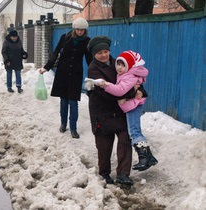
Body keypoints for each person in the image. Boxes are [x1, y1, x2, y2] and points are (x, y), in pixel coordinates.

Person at [87, 36, 143, 186]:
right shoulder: (93, 69)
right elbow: (104, 92)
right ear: (94, 54)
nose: (104, 55)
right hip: (102, 110)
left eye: (106, 51)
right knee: (104, 145)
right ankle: (104, 173)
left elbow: (132, 77)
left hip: (118, 109)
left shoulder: (117, 62)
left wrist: (140, 90)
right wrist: (132, 93)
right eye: (100, 53)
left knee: (125, 139)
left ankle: (123, 174)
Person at [96, 50, 158, 171]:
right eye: (118, 64)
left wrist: (105, 85)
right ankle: (149, 157)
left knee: (134, 131)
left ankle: (144, 158)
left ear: (129, 66)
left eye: (123, 65)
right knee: (134, 130)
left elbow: (120, 90)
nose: (119, 67)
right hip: (131, 104)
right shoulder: (126, 74)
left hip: (133, 106)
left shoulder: (129, 76)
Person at [39, 17, 92, 139]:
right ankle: (63, 124)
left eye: (82, 30)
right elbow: (56, 52)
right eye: (78, 29)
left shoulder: (87, 41)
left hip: (76, 74)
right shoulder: (65, 38)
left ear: (85, 30)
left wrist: (96, 73)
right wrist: (46, 67)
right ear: (74, 29)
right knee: (63, 101)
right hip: (62, 72)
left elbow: (90, 60)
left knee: (73, 102)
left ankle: (73, 129)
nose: (80, 32)